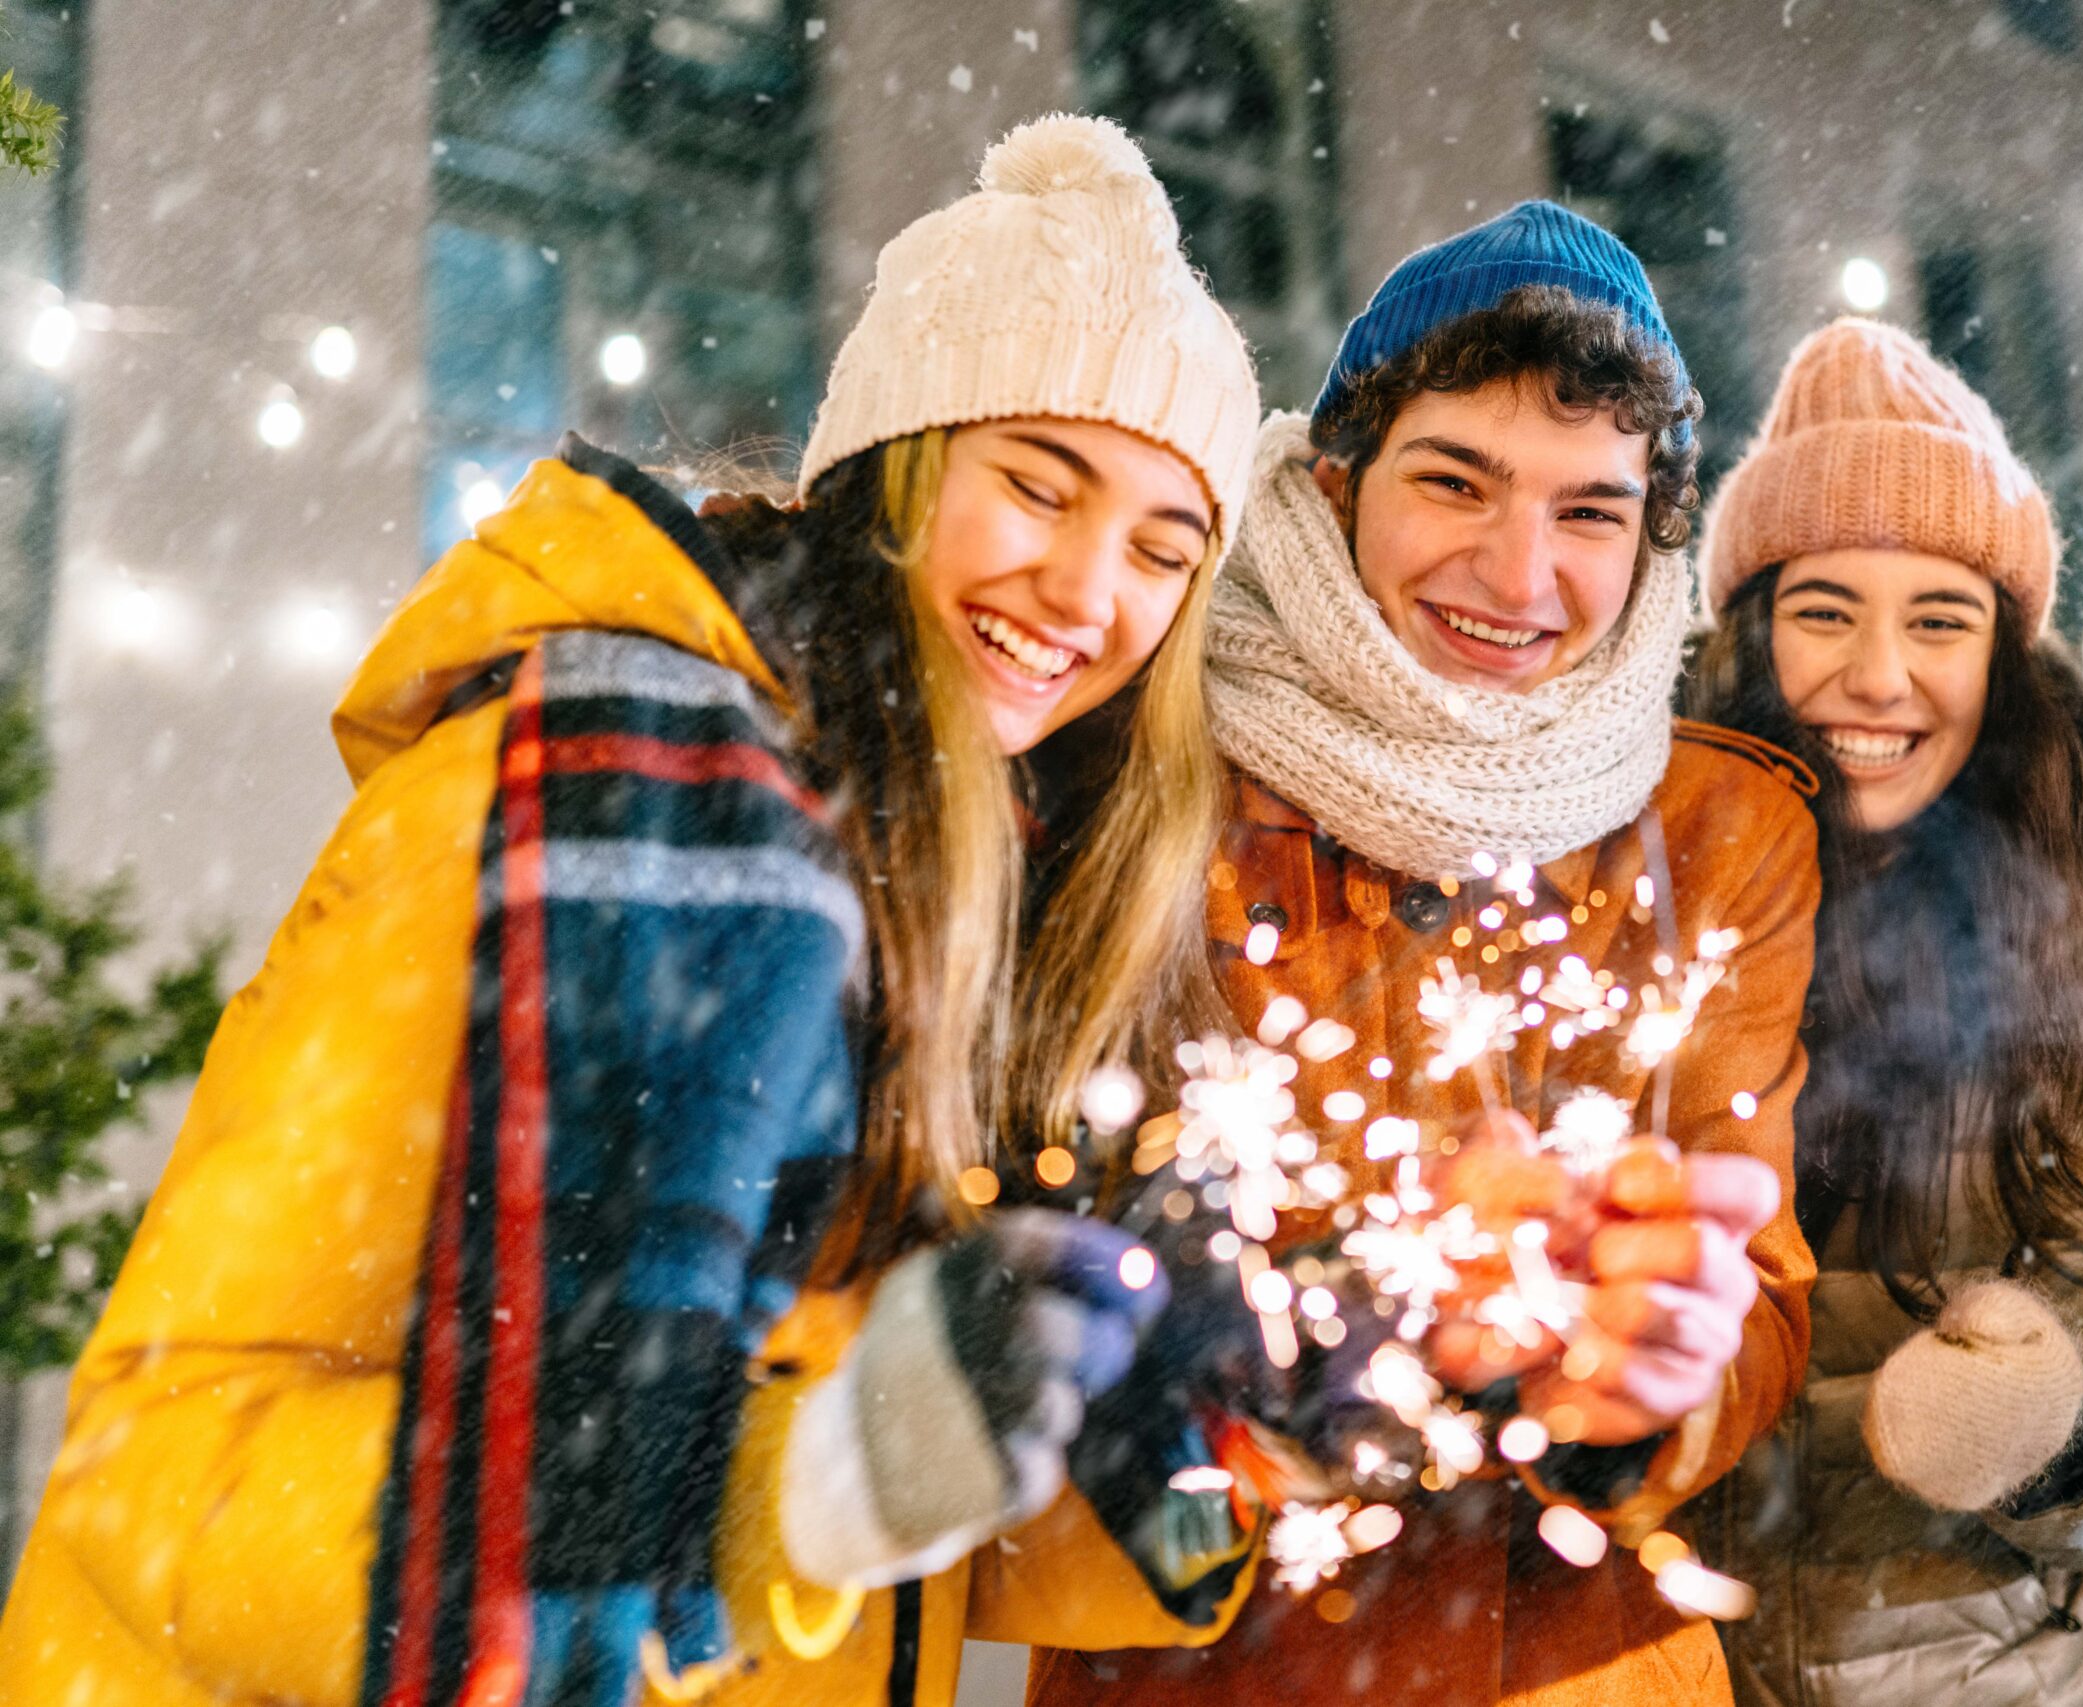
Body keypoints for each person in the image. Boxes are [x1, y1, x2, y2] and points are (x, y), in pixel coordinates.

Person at [0, 114, 1262, 1707]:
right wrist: (779, 1501)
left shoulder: (993, 913)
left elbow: (901, 1548)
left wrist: (1215, 1408)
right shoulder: (566, 800)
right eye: (1038, 486)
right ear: (898, 465)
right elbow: (161, 1466)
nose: (1090, 597)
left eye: (1164, 550)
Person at [1029, 200, 1821, 1707]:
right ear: (1335, 486)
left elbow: (1764, 1291)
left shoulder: (1727, 824)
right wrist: (1338, 1333)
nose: (1521, 580)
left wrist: (1647, 1386)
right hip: (1207, 1661)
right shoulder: (1133, 761)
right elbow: (1030, 1212)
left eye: (1589, 510)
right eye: (1456, 482)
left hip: (1586, 1666)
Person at [1680, 318, 2083, 1705]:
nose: (1878, 676)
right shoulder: (1626, 897)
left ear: (2002, 664)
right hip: (1655, 1670)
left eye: (1940, 618)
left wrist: (2050, 1439)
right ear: (1745, 632)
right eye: (1823, 611)